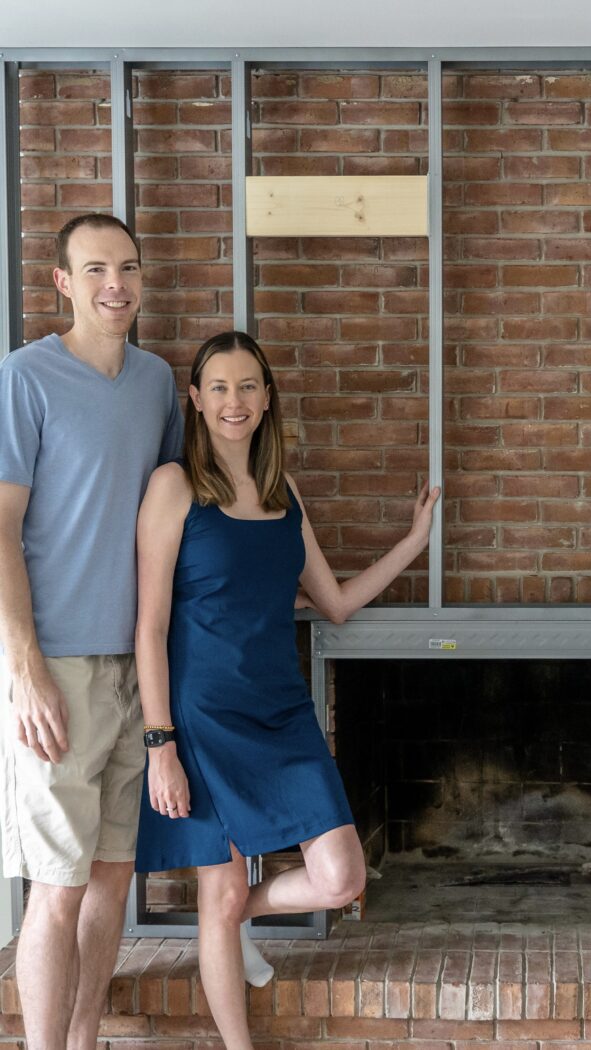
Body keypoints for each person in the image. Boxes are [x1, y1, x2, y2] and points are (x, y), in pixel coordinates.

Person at [0, 214, 266, 1050]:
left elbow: (175, 516)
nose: (115, 283)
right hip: (60, 669)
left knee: (111, 881)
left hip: (138, 670)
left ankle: (82, 1042)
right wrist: (25, 665)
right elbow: (1, 529)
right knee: (56, 887)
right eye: (96, 268)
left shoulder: (156, 383)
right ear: (63, 283)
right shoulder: (25, 376)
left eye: (128, 267)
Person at [134, 329, 440, 1049]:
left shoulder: (284, 491)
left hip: (282, 709)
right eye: (218, 387)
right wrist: (160, 745)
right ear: (197, 400)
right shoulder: (173, 486)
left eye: (247, 387)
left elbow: (331, 603)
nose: (233, 401)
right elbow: (148, 627)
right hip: (202, 714)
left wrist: (411, 544)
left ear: (267, 399)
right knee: (221, 883)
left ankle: (234, 920)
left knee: (340, 877)